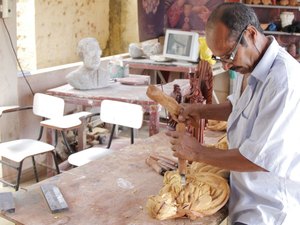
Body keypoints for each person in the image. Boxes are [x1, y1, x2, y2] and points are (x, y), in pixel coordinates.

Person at [166, 2, 300, 225]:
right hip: (245, 199)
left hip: (269, 211)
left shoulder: (283, 82)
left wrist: (197, 151)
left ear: (250, 34)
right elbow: (238, 108)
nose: (226, 66)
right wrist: (199, 111)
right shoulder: (250, 66)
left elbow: (259, 159)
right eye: (220, 59)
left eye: (228, 55)